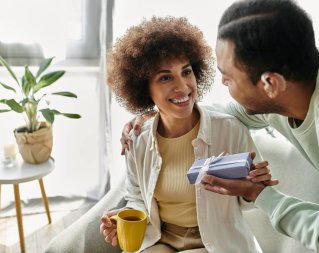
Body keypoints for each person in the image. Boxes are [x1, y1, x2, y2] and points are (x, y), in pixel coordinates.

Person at [120, 1, 319, 253]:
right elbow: (229, 112)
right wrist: (157, 113)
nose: (220, 82)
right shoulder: (298, 67)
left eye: (229, 77)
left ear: (270, 85)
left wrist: (258, 193)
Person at [100, 16, 278, 253]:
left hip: (216, 243)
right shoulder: (137, 140)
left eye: (186, 72)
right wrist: (126, 216)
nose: (182, 87)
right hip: (160, 240)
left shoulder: (229, 129)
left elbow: (250, 203)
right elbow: (137, 198)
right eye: (165, 77)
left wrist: (254, 187)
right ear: (144, 89)